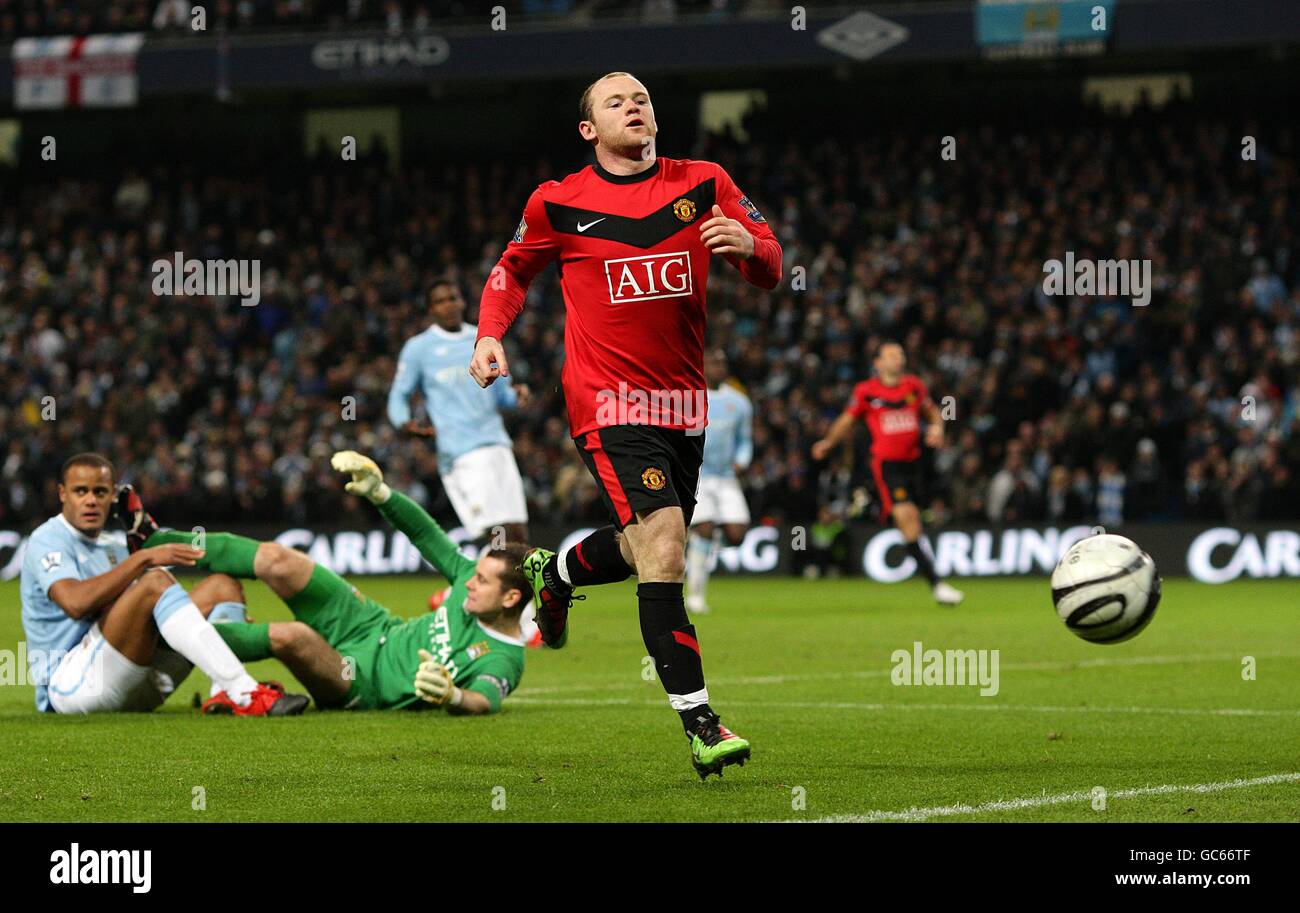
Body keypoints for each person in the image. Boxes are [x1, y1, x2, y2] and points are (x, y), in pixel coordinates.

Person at [468, 71, 782, 777]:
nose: (633, 106)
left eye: (640, 97)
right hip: (605, 400)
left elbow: (773, 264)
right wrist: (491, 334)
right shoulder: (557, 202)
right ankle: (702, 724)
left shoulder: (704, 181)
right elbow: (510, 271)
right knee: (666, 548)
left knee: (646, 547)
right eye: (615, 102)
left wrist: (750, 246)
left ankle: (558, 572)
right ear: (590, 130)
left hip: (683, 404)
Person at [141, 452, 530, 715]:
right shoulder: (468, 581)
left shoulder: (504, 658)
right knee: (279, 560)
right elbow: (426, 535)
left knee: (292, 635)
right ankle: (147, 541)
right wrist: (381, 493)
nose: (469, 584)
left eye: (482, 581)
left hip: (362, 681)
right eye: (474, 575)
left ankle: (152, 636)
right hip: (372, 625)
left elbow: (484, 700)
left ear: (511, 597)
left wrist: (453, 695)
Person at [19, 453, 308, 716]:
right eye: (80, 491)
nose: (91, 500)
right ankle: (244, 692)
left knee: (222, 587)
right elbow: (75, 603)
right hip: (72, 687)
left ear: (113, 497)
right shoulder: (49, 538)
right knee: (154, 581)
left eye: (100, 492)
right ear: (62, 494)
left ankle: (222, 694)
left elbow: (126, 613)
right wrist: (143, 558)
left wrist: (207, 625)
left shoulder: (113, 546)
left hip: (136, 681)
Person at [388, 276, 539, 645]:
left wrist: (516, 394)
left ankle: (498, 609)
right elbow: (399, 395)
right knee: (496, 533)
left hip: (496, 444)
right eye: (440, 300)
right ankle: (484, 606)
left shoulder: (482, 338)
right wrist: (404, 423)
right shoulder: (419, 349)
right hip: (461, 451)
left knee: (518, 533)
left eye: (454, 297)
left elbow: (501, 393)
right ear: (431, 308)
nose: (450, 304)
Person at [813, 342, 965, 606]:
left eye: (901, 354)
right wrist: (828, 442)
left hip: (916, 465)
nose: (899, 358)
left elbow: (933, 413)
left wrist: (938, 429)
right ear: (878, 363)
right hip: (887, 466)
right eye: (892, 355)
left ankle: (879, 515)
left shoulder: (914, 386)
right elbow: (847, 419)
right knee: (908, 518)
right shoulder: (866, 391)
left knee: (914, 521)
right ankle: (937, 585)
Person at [685, 349, 753, 614]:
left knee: (737, 535)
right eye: (713, 362)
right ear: (701, 366)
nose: (718, 366)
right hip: (698, 475)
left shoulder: (738, 402)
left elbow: (744, 440)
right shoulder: (689, 398)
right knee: (706, 528)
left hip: (726, 476)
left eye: (722, 362)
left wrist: (742, 460)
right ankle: (696, 596)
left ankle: (697, 545)